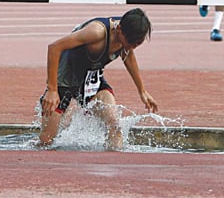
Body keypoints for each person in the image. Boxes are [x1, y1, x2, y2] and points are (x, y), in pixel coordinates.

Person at [38, 8, 157, 150]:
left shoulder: (128, 32)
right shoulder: (96, 32)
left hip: (91, 79)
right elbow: (54, 48)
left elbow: (128, 54)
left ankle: (114, 165)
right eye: (130, 43)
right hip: (66, 78)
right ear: (119, 30)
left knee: (114, 124)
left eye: (137, 44)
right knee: (46, 141)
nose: (132, 47)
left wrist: (142, 91)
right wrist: (52, 90)